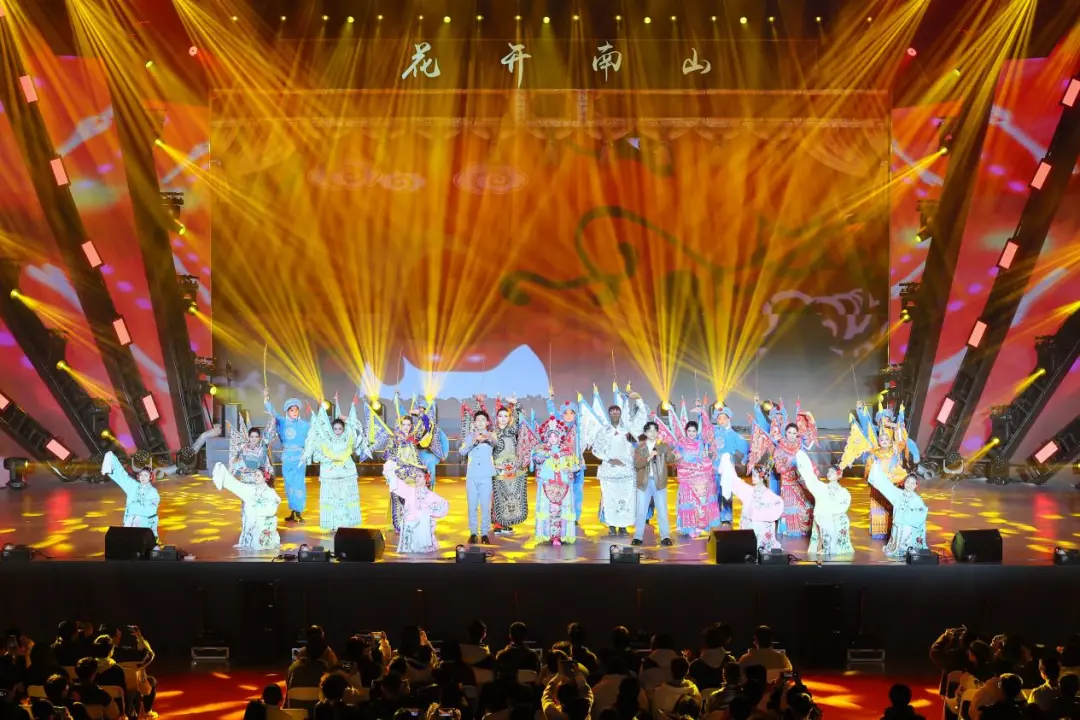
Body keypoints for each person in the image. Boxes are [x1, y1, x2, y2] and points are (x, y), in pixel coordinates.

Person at [581, 385, 648, 536]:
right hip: (609, 471)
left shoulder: (628, 429)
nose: (615, 413)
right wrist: (609, 460)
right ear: (609, 414)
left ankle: (623, 525)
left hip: (626, 470)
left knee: (627, 498)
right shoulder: (604, 430)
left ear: (621, 413)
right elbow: (596, 449)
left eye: (617, 411)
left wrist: (638, 400)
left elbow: (641, 418)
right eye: (612, 411)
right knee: (609, 498)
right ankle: (611, 525)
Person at [748, 397, 817, 537]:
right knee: (777, 498)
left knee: (806, 502)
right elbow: (761, 424)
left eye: (780, 416)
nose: (778, 418)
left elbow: (803, 456)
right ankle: (781, 523)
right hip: (779, 470)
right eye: (776, 416)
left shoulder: (795, 438)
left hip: (798, 477)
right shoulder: (775, 436)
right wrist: (756, 407)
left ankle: (804, 526)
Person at [211, 412, 281, 550]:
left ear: (259, 437)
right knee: (246, 510)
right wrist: (235, 470)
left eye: (256, 436)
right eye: (251, 436)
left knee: (259, 508)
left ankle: (260, 538)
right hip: (246, 481)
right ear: (248, 437)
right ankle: (245, 539)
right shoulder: (243, 448)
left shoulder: (263, 448)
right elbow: (236, 462)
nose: (254, 439)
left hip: (258, 482)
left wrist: (268, 477)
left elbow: (267, 464)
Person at [302, 394, 368, 532]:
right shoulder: (326, 441)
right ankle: (333, 525)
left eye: (340, 429)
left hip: (346, 474)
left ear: (343, 429)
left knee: (346, 499)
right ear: (331, 429)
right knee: (331, 500)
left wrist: (348, 419)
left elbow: (358, 429)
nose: (337, 431)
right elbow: (317, 456)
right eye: (335, 429)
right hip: (330, 476)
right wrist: (328, 459)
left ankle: (347, 524)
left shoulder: (348, 439)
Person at [382, 423, 450, 553]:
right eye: (403, 424)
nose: (406, 427)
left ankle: (415, 531)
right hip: (398, 474)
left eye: (408, 425)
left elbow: (416, 458)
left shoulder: (412, 440)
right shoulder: (394, 439)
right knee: (397, 501)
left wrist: (420, 470)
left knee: (414, 503)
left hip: (411, 475)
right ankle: (400, 527)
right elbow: (387, 456)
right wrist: (396, 464)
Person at [717, 455, 783, 553]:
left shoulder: (768, 494)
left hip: (761, 528)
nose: (752, 477)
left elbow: (778, 505)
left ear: (762, 477)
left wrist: (759, 514)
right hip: (749, 527)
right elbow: (736, 482)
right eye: (752, 475)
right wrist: (728, 464)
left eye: (755, 475)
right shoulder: (750, 490)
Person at [794, 451, 854, 558]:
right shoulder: (822, 487)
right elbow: (811, 479)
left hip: (836, 516)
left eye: (832, 472)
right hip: (823, 516)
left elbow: (844, 504)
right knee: (823, 520)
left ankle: (833, 548)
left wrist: (831, 511)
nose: (829, 473)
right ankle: (824, 547)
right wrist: (803, 463)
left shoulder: (843, 492)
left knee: (838, 521)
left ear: (839, 475)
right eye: (828, 471)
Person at [265, 390, 312, 523]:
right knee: (289, 484)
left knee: (299, 484)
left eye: (296, 410)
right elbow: (272, 413)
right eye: (291, 410)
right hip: (287, 457)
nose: (294, 412)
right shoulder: (282, 422)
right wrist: (266, 399)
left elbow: (316, 432)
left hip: (299, 458)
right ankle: (293, 511)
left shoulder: (305, 425)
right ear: (287, 411)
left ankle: (299, 511)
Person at [532, 416, 578, 546]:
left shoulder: (567, 450)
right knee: (548, 509)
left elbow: (576, 465)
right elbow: (536, 460)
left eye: (555, 436)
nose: (552, 438)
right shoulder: (542, 450)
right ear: (546, 437)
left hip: (563, 484)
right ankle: (548, 534)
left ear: (560, 437)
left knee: (563, 509)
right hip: (547, 484)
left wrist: (570, 469)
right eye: (550, 436)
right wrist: (541, 456)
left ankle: (562, 535)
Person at [672, 415, 720, 539]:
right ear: (686, 431)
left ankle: (699, 527)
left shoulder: (700, 444)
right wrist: (693, 466)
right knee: (689, 503)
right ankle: (689, 528)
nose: (691, 433)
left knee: (700, 503)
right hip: (686, 479)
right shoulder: (680, 444)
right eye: (689, 430)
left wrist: (707, 465)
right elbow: (677, 462)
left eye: (694, 431)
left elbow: (704, 459)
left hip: (699, 479)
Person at [866, 466, 928, 559]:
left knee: (908, 535)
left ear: (916, 485)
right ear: (904, 483)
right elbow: (886, 486)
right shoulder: (898, 494)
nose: (910, 485)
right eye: (908, 482)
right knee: (898, 536)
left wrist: (907, 516)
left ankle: (908, 550)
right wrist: (876, 469)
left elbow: (922, 512)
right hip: (899, 526)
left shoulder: (917, 499)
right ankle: (898, 548)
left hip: (909, 526)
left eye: (913, 483)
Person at [99, 451, 161, 538]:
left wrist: (133, 508)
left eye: (146, 475)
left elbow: (151, 510)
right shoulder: (133, 486)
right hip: (130, 521)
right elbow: (122, 476)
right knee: (128, 541)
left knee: (142, 541)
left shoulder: (153, 492)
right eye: (141, 475)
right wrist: (112, 459)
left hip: (144, 524)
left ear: (150, 477)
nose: (143, 477)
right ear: (138, 477)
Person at [631, 422, 674, 547]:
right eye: (649, 431)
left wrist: (671, 450)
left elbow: (671, 459)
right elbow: (637, 464)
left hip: (659, 483)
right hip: (644, 483)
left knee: (662, 510)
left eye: (655, 430)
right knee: (641, 511)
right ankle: (638, 537)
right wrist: (649, 457)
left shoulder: (663, 445)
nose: (652, 433)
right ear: (645, 433)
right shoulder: (640, 447)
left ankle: (665, 536)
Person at [548, 390, 586, 526]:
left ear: (576, 414)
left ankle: (575, 516)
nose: (569, 416)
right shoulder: (559, 430)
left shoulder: (580, 428)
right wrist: (550, 400)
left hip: (577, 464)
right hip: (562, 464)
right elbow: (552, 413)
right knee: (563, 489)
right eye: (566, 413)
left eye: (572, 413)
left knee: (577, 490)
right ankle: (563, 514)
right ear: (562, 414)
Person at [460, 409, 497, 545]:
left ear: (487, 423)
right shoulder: (470, 436)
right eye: (478, 420)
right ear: (474, 423)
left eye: (483, 420)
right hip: (472, 476)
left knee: (485, 506)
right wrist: (474, 441)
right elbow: (462, 451)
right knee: (472, 506)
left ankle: (485, 533)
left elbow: (496, 443)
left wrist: (487, 438)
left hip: (486, 476)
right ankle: (473, 533)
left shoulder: (491, 435)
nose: (480, 422)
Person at [709, 404, 748, 526]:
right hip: (715, 467)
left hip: (727, 469)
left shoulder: (734, 435)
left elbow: (744, 447)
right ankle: (715, 515)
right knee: (714, 492)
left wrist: (744, 459)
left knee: (727, 491)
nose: (721, 421)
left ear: (729, 419)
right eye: (719, 418)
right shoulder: (713, 433)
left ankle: (727, 515)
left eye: (724, 418)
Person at [689, 624, 736, 693]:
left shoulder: (695, 665)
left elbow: (691, 690)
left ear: (705, 642)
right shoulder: (730, 661)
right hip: (724, 698)